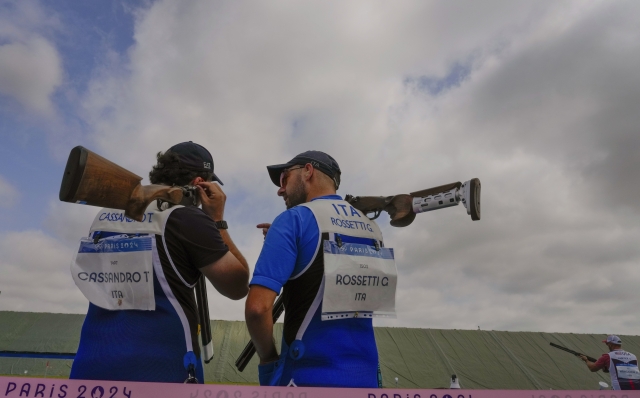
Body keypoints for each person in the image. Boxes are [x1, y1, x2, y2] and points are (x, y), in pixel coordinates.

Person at [69, 141, 250, 383]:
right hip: (162, 371)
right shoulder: (186, 218)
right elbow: (237, 285)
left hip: (91, 367)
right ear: (199, 183)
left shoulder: (103, 216)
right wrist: (217, 221)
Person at [245, 151, 396, 387]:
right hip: (365, 379)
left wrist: (268, 360)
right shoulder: (372, 228)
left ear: (308, 171)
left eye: (284, 178)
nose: (280, 190)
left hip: (305, 378)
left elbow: (257, 308)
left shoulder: (293, 220)